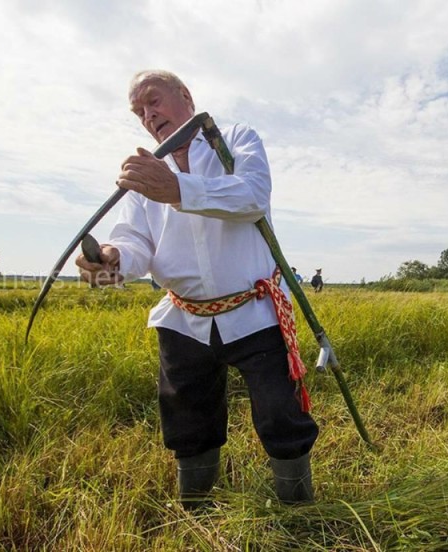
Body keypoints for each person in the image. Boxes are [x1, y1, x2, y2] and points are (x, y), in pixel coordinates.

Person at [75, 70, 318, 507]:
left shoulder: (234, 139)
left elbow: (252, 198)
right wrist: (113, 259)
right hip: (184, 320)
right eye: (139, 111)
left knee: (281, 411)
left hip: (254, 310)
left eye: (154, 101)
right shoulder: (146, 174)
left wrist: (177, 189)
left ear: (184, 96)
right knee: (187, 418)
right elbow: (135, 241)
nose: (148, 115)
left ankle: (298, 510)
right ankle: (197, 511)